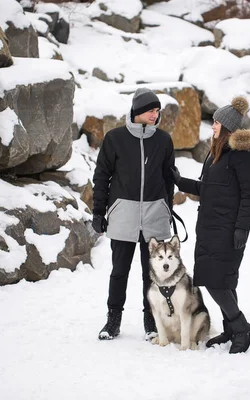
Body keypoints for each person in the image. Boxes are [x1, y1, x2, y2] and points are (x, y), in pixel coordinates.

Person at [171, 96, 250, 354]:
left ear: (228, 127)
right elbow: (206, 189)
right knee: (224, 281)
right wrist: (180, 182)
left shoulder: (242, 155)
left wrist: (242, 228)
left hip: (228, 230)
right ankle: (232, 329)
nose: (213, 126)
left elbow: (249, 195)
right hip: (210, 228)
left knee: (216, 282)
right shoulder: (216, 154)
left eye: (217, 123)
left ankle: (242, 327)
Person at [92, 88, 175, 341]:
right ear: (137, 111)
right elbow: (102, 177)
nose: (155, 114)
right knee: (119, 271)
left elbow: (168, 178)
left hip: (154, 216)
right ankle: (113, 321)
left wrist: (167, 210)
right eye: (151, 110)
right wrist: (99, 211)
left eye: (157, 110)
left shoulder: (163, 140)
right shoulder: (115, 139)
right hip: (123, 216)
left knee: (151, 274)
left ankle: (151, 322)